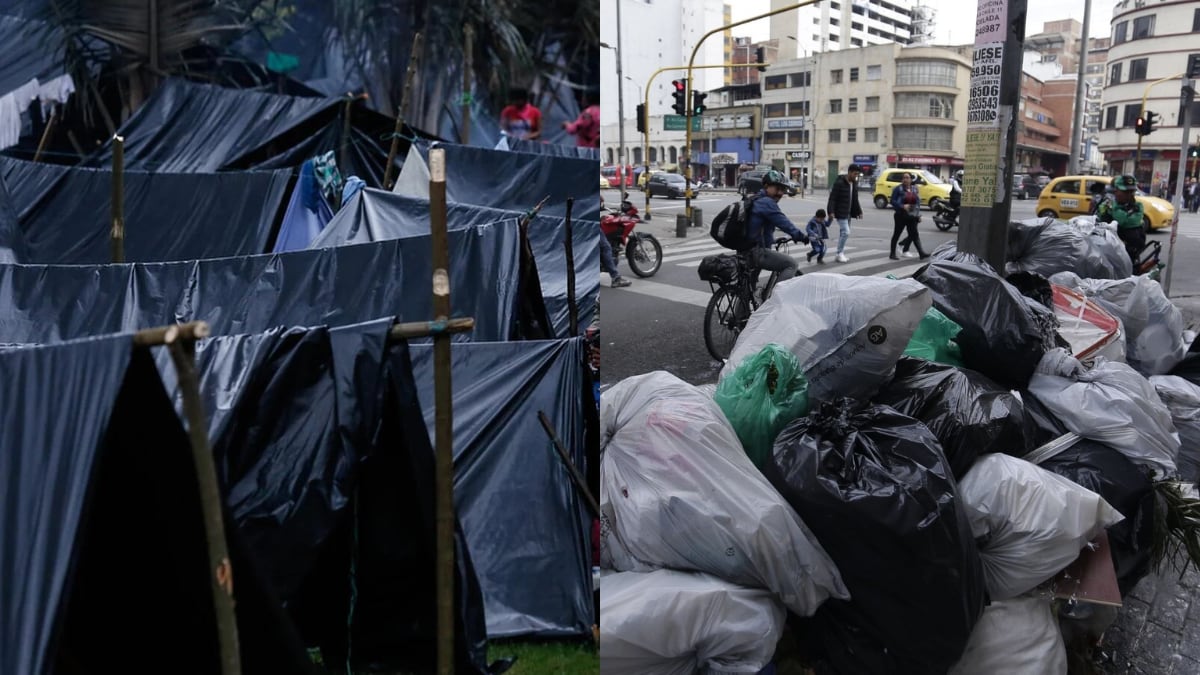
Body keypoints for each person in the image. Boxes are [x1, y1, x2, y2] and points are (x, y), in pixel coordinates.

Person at [746, 169, 808, 297]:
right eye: (777, 188)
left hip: (745, 250)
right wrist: (800, 236)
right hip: (757, 252)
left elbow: (759, 227)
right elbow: (784, 223)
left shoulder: (755, 199)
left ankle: (740, 315)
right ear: (766, 186)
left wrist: (773, 240)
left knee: (748, 285)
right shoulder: (767, 203)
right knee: (791, 264)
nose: (780, 193)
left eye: (782, 189)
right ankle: (775, 300)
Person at [1097, 174, 1145, 267]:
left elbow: (1123, 220)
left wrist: (1112, 208)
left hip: (1130, 250)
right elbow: (1098, 219)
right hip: (1107, 251)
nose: (1129, 194)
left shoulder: (1138, 206)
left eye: (1131, 191)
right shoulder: (1106, 203)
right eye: (1125, 191)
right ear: (1115, 191)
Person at [825, 163, 864, 262]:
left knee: (843, 233)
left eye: (857, 174)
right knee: (846, 232)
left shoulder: (854, 184)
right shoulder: (839, 183)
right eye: (855, 174)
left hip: (849, 213)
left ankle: (840, 253)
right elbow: (832, 198)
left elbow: (855, 198)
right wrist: (830, 211)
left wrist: (859, 211)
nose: (856, 176)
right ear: (849, 172)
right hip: (841, 212)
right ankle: (839, 253)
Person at [889, 172, 929, 260]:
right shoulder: (898, 189)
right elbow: (892, 201)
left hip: (912, 216)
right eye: (903, 178)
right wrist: (902, 206)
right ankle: (892, 253)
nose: (905, 180)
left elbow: (918, 203)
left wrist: (918, 215)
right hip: (901, 215)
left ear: (911, 179)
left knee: (914, 234)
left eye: (907, 178)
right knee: (897, 234)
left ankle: (921, 253)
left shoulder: (915, 189)